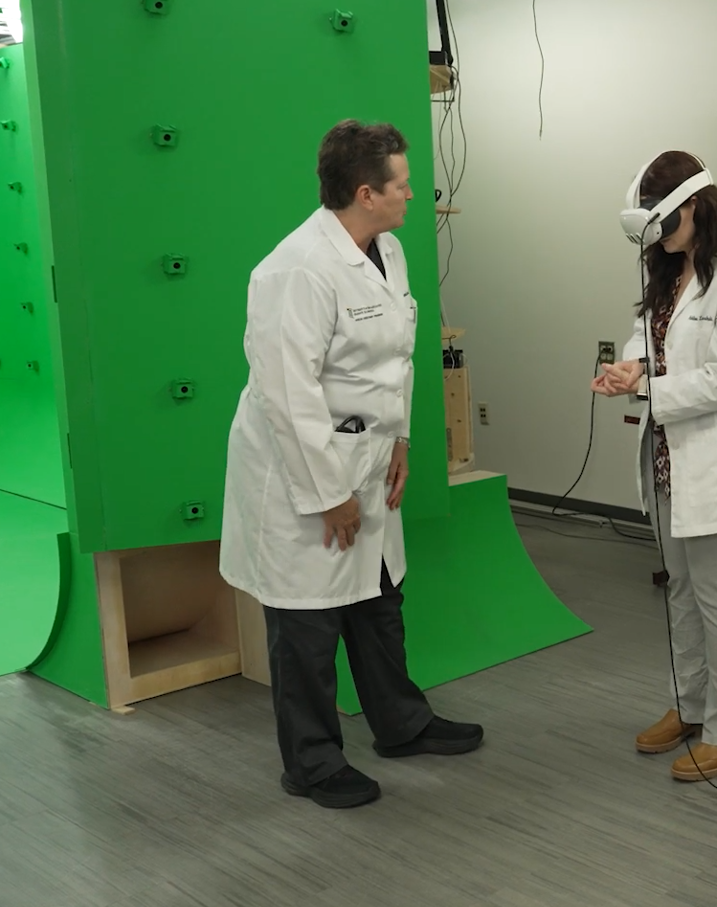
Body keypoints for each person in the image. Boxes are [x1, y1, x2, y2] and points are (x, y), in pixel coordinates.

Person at [220, 120, 482, 810]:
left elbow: (394, 357)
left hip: (369, 451)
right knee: (307, 623)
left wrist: (399, 439)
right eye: (401, 184)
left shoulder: (387, 249)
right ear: (366, 193)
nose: (411, 193)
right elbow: (287, 392)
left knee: (377, 596)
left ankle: (401, 722)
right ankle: (309, 761)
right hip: (304, 462)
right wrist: (327, 491)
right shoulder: (295, 269)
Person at [592, 150, 717, 782]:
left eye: (669, 227)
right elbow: (648, 341)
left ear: (697, 206)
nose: (664, 241)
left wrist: (645, 387)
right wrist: (630, 367)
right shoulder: (671, 270)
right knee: (681, 590)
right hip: (669, 458)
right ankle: (692, 706)